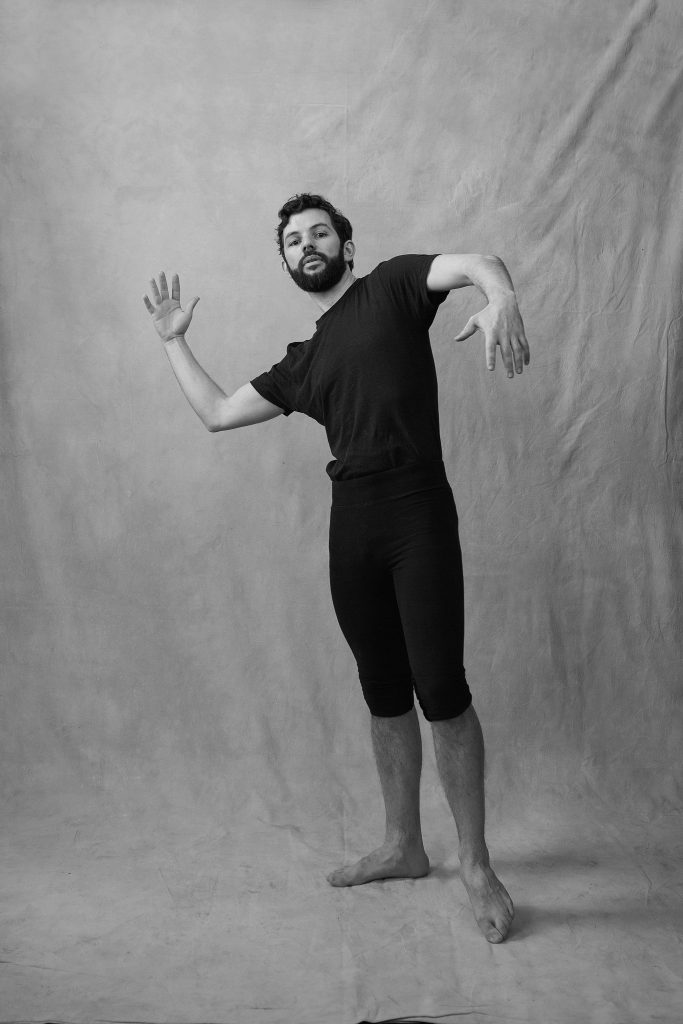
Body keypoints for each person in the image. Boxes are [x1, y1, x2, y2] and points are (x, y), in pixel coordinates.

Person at [143, 193, 529, 943]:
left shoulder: (392, 285)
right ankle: (403, 845)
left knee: (440, 693)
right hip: (351, 527)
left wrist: (501, 297)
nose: (306, 244)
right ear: (287, 262)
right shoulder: (304, 363)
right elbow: (218, 413)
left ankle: (476, 865)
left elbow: (479, 263)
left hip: (417, 513)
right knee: (383, 694)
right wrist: (171, 343)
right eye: (292, 240)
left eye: (319, 232)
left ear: (346, 249)